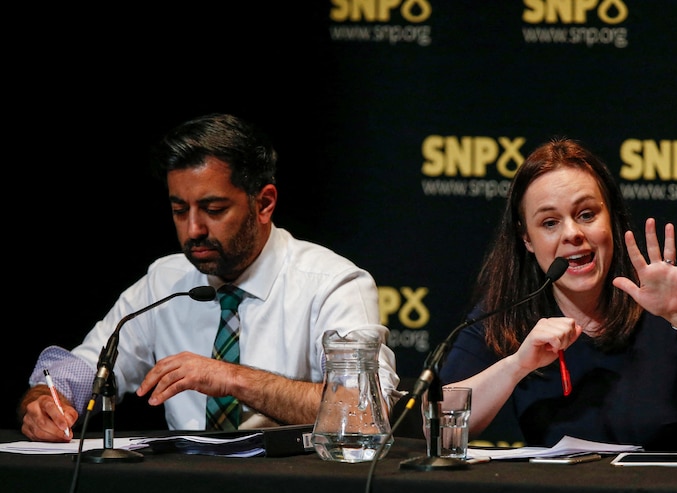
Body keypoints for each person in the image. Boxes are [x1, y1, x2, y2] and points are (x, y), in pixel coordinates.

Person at [19, 113, 399, 442]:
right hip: (187, 492)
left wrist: (234, 379)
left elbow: (366, 410)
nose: (194, 229)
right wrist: (45, 403)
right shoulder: (165, 282)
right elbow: (86, 371)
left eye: (213, 208)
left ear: (264, 203)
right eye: (179, 210)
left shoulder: (331, 283)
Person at [438, 137, 677, 450]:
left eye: (587, 214)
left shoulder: (669, 301)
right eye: (550, 222)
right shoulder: (507, 314)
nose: (572, 233)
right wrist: (516, 365)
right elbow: (441, 428)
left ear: (611, 219)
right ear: (526, 238)